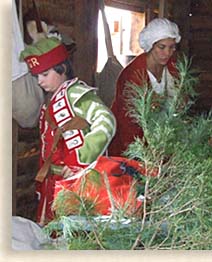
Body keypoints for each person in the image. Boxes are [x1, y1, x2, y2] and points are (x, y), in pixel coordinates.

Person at [20, 37, 116, 225]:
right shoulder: (52, 98)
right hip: (55, 181)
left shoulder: (74, 94)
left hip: (77, 181)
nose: (39, 81)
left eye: (45, 74)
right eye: (37, 76)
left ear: (61, 69)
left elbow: (106, 121)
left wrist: (82, 157)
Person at [109, 18, 181, 156]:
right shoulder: (133, 75)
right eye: (162, 47)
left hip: (162, 139)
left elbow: (181, 96)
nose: (167, 53)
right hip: (132, 141)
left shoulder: (173, 67)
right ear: (151, 45)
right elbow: (130, 120)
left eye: (172, 47)